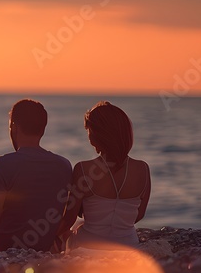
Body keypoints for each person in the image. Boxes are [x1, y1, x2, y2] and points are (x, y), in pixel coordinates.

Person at [0, 99, 72, 255]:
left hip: (5, 253)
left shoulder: (1, 165)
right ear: (42, 130)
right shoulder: (64, 165)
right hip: (44, 253)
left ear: (14, 127)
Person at [57, 101, 151, 249]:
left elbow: (69, 219)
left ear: (96, 134)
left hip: (88, 246)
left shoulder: (83, 168)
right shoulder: (143, 169)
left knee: (69, 233)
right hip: (129, 245)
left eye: (89, 131)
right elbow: (138, 215)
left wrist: (48, 236)